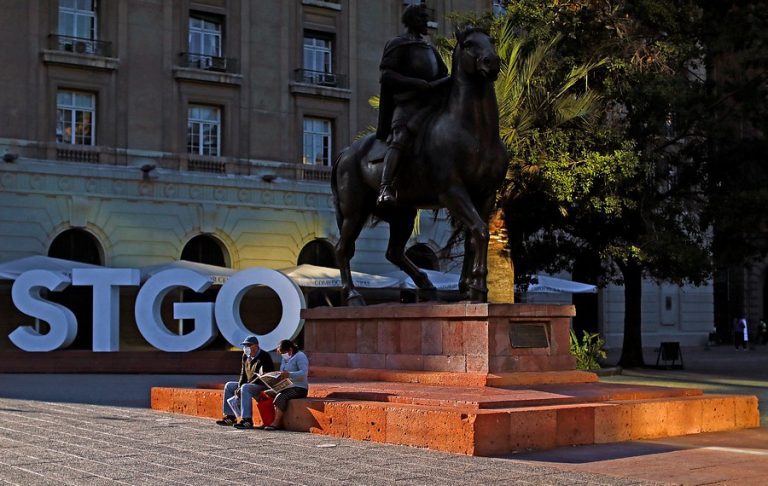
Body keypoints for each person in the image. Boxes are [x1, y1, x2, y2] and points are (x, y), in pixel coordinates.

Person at [375, 3, 450, 207]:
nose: (427, 22)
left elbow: (444, 75)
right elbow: (386, 75)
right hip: (407, 105)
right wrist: (416, 83)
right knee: (401, 138)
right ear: (413, 20)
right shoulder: (397, 44)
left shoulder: (430, 49)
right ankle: (385, 187)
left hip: (431, 106)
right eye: (423, 18)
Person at [216, 335, 275, 429]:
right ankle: (230, 417)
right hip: (248, 384)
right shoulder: (245, 356)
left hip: (261, 385)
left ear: (256, 346)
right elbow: (243, 374)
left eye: (249, 345)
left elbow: (266, 376)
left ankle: (247, 420)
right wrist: (239, 386)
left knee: (245, 387)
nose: (246, 348)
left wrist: (243, 386)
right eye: (245, 345)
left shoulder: (264, 356)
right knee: (229, 386)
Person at [261, 339, 309, 431]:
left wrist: (289, 374)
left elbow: (304, 373)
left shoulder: (300, 356)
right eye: (281, 353)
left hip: (299, 388)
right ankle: (268, 420)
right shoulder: (285, 358)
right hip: (286, 386)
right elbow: (282, 372)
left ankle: (276, 423)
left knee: (280, 397)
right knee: (265, 393)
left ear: (290, 349)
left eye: (283, 352)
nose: (282, 355)